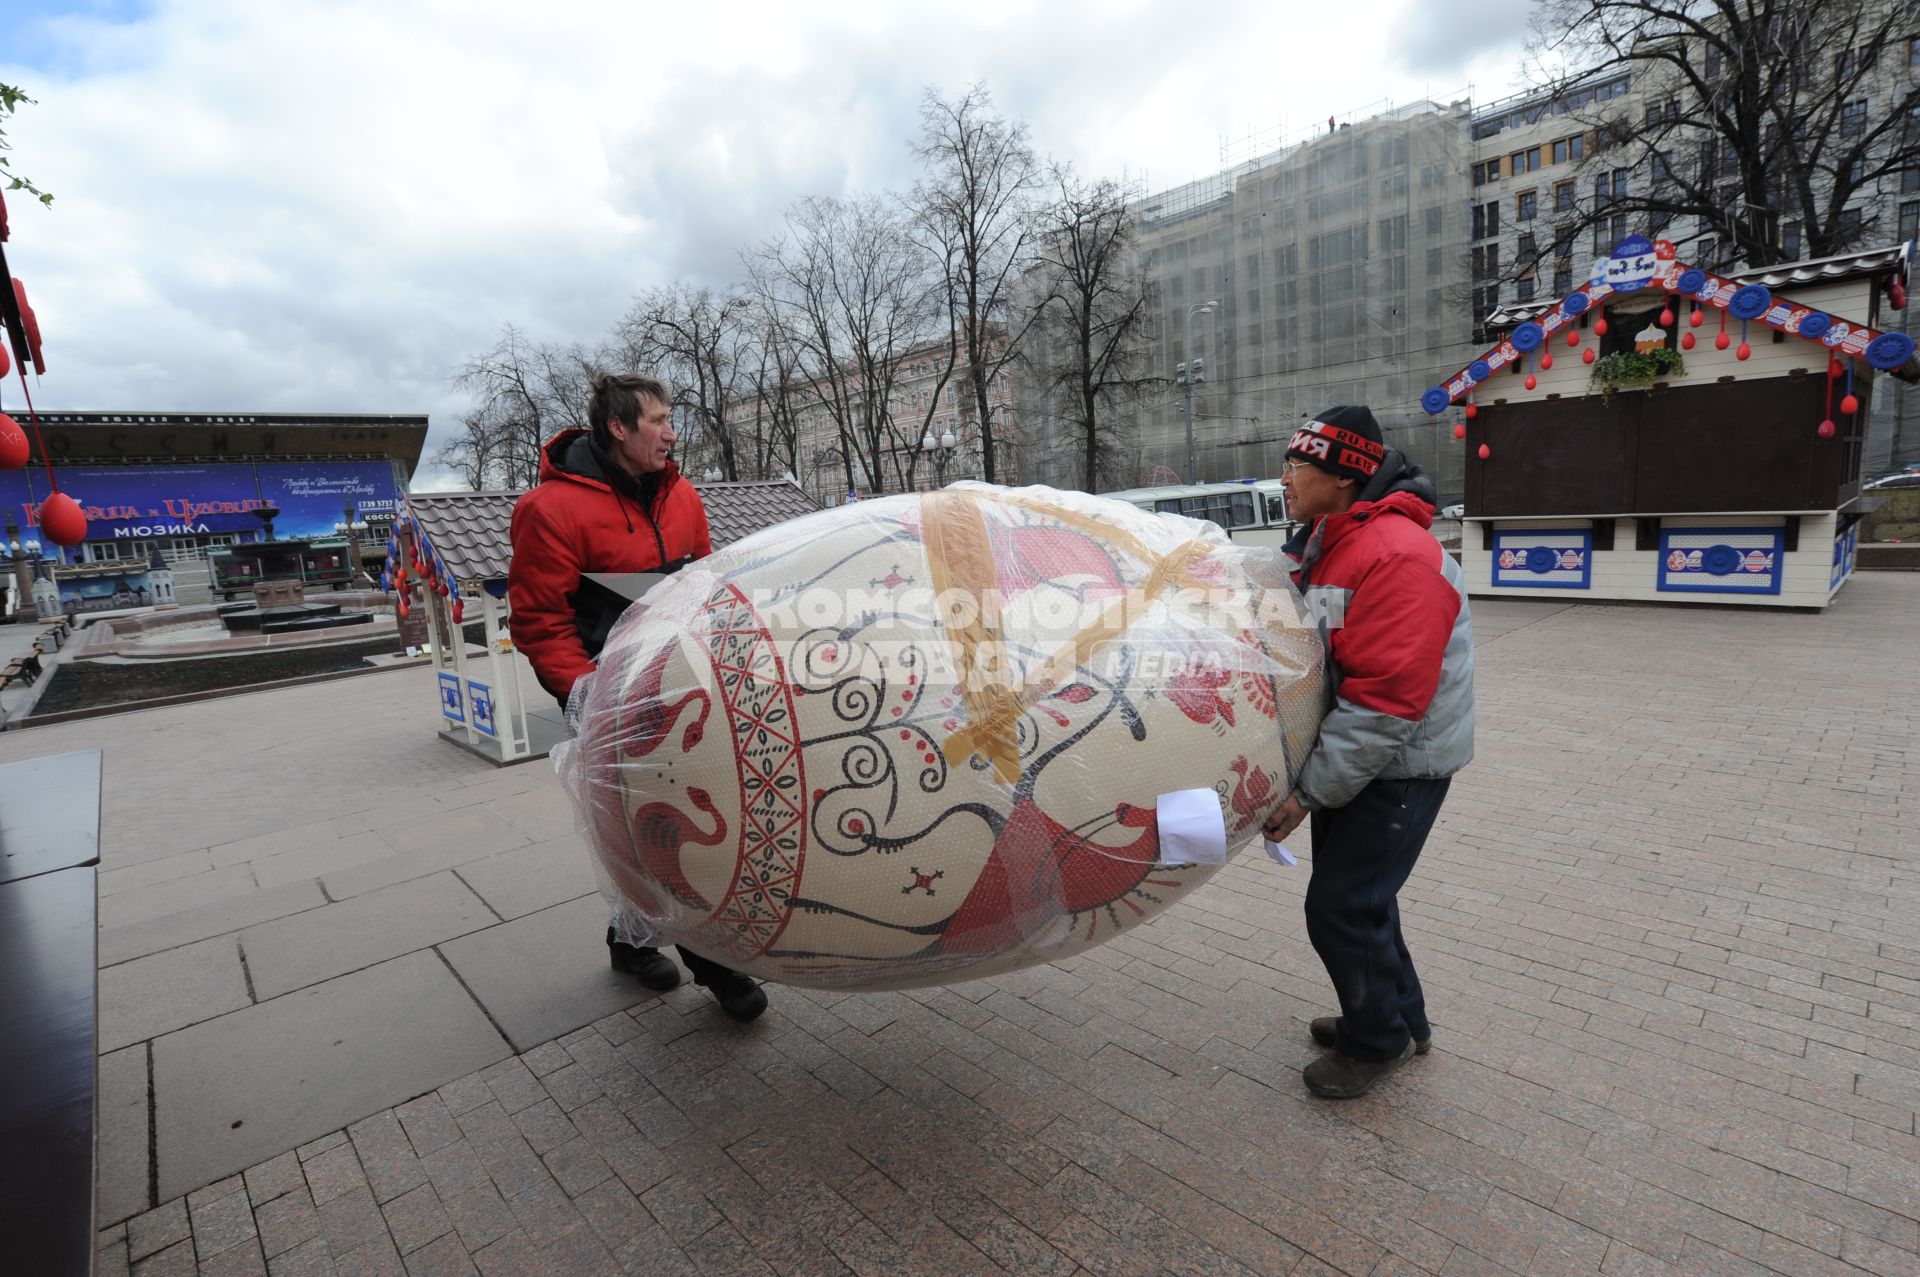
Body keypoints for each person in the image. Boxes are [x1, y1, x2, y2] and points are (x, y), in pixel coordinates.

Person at [508, 372, 768, 1023]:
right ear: (618, 428)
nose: (670, 431)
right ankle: (714, 960)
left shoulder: (683, 497)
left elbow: (705, 590)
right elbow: (540, 621)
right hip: (608, 702)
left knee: (662, 825)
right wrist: (585, 697)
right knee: (649, 831)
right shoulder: (550, 511)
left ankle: (630, 941)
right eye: (655, 419)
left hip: (683, 693)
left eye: (670, 418)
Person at [1262, 405, 1473, 1098]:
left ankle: (1374, 1039)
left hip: (1396, 767)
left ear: (1345, 477)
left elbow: (1385, 701)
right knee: (1367, 901)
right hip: (1363, 759)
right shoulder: (1335, 543)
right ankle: (1399, 1019)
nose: (1285, 478)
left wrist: (1307, 793)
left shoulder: (1398, 557)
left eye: (1298, 466)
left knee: (1342, 907)